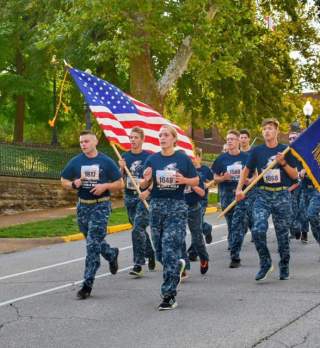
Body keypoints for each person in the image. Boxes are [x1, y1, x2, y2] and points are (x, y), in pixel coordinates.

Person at [141, 124, 199, 310]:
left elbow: (196, 180)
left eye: (166, 135)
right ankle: (177, 264)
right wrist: (147, 179)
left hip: (176, 207)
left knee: (168, 248)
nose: (162, 138)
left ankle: (169, 295)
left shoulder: (182, 159)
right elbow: (143, 185)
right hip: (156, 206)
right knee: (159, 250)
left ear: (174, 139)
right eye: (160, 135)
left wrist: (184, 181)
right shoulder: (152, 159)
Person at [61, 130, 124, 299]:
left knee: (91, 245)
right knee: (93, 241)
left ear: (95, 142)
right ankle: (111, 254)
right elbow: (63, 180)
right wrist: (74, 184)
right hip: (83, 207)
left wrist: (105, 186)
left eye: (86, 141)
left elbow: (120, 183)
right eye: (81, 142)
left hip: (100, 207)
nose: (83, 144)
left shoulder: (106, 161)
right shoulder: (76, 161)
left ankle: (87, 285)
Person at [236, 119, 298, 281]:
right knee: (257, 230)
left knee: (282, 235)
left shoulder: (285, 150)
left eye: (270, 128)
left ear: (277, 131)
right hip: (262, 194)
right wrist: (238, 189)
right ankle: (265, 262)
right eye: (264, 129)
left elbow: (294, 176)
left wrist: (283, 163)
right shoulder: (257, 151)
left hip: (281, 195)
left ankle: (284, 266)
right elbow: (246, 170)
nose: (266, 131)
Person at [118, 127, 155, 277]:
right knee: (137, 228)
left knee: (137, 228)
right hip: (129, 196)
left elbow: (155, 179)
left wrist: (148, 191)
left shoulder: (149, 157)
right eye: (131, 137)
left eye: (135, 137)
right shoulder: (124, 156)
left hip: (143, 197)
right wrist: (120, 168)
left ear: (142, 139)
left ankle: (138, 264)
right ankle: (150, 252)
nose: (132, 140)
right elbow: (119, 179)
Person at [212, 130, 249, 250]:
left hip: (241, 194)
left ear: (238, 141)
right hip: (226, 194)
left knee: (241, 223)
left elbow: (255, 175)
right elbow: (215, 179)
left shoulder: (246, 157)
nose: (229, 141)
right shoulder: (221, 159)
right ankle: (233, 243)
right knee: (231, 222)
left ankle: (235, 240)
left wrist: (248, 180)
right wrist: (223, 178)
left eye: (232, 139)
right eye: (227, 139)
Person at [188, 148, 214, 262]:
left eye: (193, 157)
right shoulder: (188, 170)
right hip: (190, 200)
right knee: (198, 224)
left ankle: (193, 252)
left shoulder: (205, 169)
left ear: (199, 157)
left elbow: (213, 180)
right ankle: (207, 228)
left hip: (202, 199)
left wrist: (207, 184)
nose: (192, 160)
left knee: (197, 226)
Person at [183, 175, 210, 275]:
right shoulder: (172, 174)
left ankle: (203, 257)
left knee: (197, 237)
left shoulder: (196, 176)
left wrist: (191, 184)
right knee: (178, 236)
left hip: (193, 208)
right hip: (178, 208)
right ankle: (183, 265)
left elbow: (202, 193)